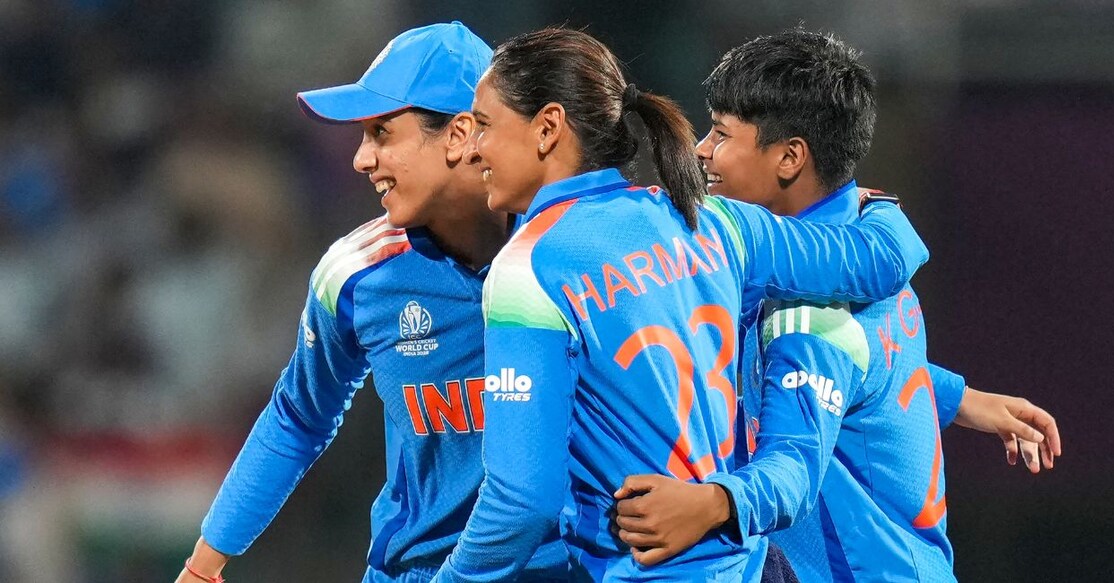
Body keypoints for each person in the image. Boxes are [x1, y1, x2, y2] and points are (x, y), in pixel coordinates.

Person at [432, 27, 932, 582]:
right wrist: (876, 202)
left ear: (548, 128)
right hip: (754, 568)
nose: (471, 147)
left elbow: (522, 503)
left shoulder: (529, 268)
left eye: (482, 125)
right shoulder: (714, 222)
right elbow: (878, 259)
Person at [610, 29, 1062, 582]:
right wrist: (956, 397)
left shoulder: (810, 312)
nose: (702, 149)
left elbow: (794, 465)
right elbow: (874, 367)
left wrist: (709, 505)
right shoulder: (854, 234)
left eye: (722, 134)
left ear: (790, 157)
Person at [175, 22, 571, 583]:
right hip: (419, 571)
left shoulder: (576, 253)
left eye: (382, 132)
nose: (362, 159)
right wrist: (202, 567)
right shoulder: (359, 273)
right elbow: (297, 416)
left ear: (460, 134)